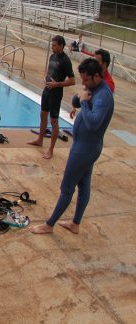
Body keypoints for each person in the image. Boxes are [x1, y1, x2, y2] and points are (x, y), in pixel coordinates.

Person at [30, 58, 114, 235]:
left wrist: (84, 101)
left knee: (67, 187)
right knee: (83, 185)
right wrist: (80, 97)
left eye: (86, 79)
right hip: (85, 146)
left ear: (97, 76)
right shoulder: (93, 88)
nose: (83, 82)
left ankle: (49, 225)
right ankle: (75, 224)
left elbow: (93, 124)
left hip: (86, 149)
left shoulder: (103, 97)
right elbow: (76, 102)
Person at [27, 35, 75, 159]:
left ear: (61, 45)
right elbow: (50, 71)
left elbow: (72, 81)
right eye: (52, 45)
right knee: (43, 115)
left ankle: (51, 150)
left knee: (54, 121)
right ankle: (40, 140)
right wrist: (46, 77)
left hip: (56, 94)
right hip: (46, 90)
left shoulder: (65, 61)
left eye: (54, 45)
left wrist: (57, 84)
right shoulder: (52, 56)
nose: (52, 47)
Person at [70, 48, 115, 118]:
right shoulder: (91, 76)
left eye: (97, 61)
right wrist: (74, 106)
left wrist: (83, 101)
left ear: (104, 64)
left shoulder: (108, 85)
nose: (93, 64)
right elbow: (82, 95)